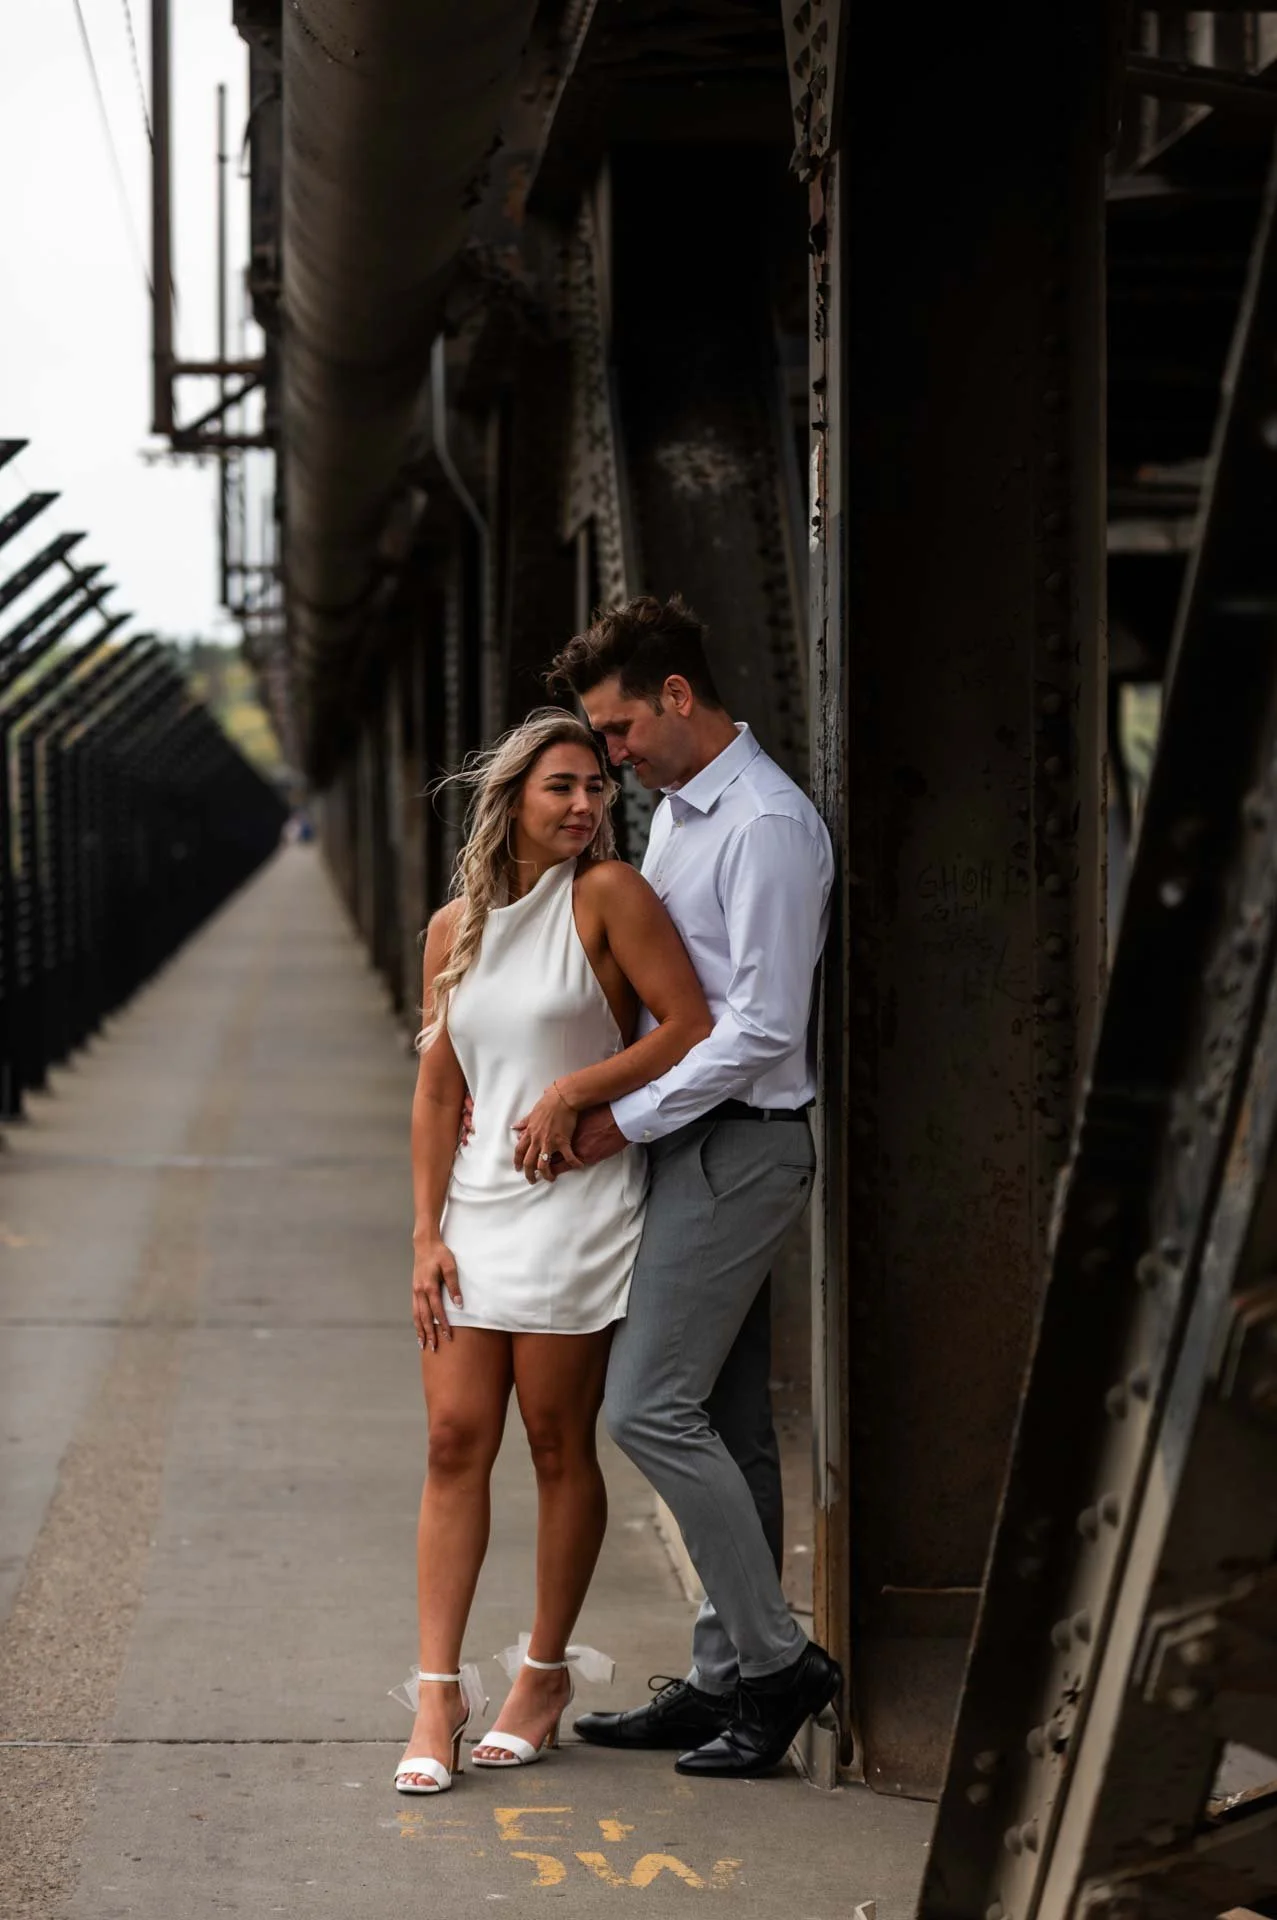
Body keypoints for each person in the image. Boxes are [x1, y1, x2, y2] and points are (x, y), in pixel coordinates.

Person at [540, 594, 840, 1778]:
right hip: (693, 1142)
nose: (608, 758)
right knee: (724, 1422)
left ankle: (777, 1665)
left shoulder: (762, 825)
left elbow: (761, 1027)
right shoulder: (676, 816)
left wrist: (621, 1117)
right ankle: (723, 1680)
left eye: (616, 732)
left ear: (676, 697)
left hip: (738, 1144)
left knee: (642, 1408)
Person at [394, 709, 711, 1796]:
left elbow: (685, 1024)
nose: (585, 807)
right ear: (513, 800)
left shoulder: (609, 899)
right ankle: (437, 1689)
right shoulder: (453, 930)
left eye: (595, 789)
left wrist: (578, 1088)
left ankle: (539, 1675)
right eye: (561, 789)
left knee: (552, 1439)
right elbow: (439, 1089)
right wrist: (425, 1232)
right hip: (476, 1211)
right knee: (451, 1437)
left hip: (576, 1201)